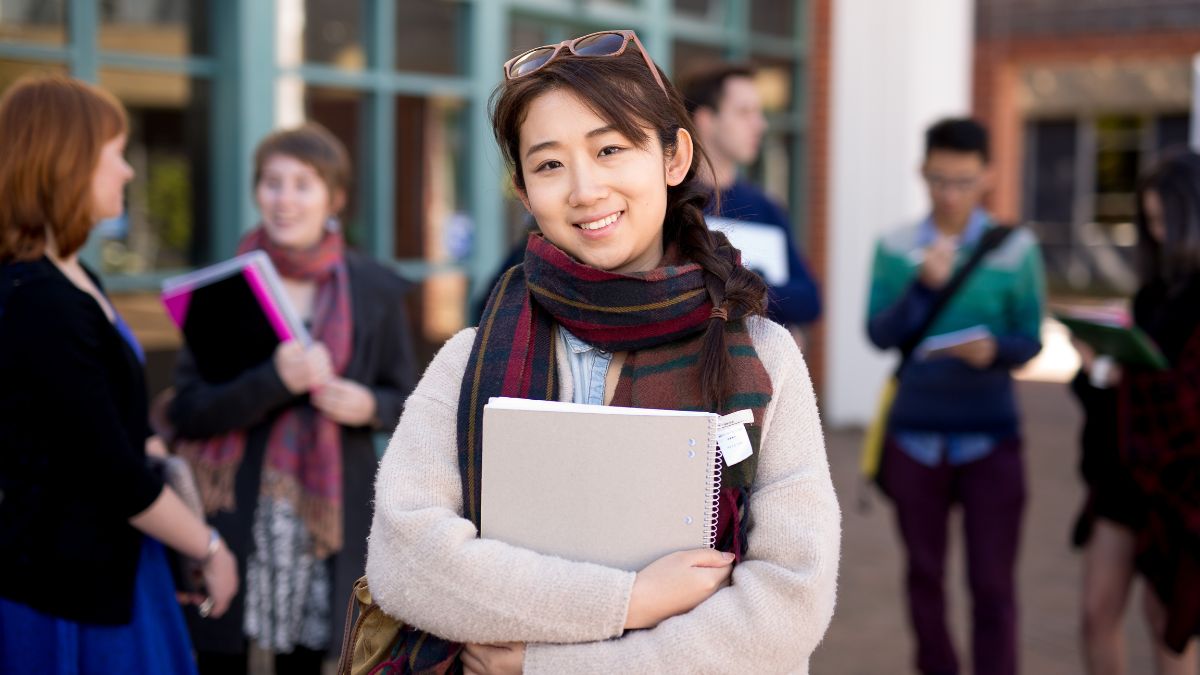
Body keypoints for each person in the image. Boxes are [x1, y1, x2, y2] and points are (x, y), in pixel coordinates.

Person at [365, 29, 839, 674]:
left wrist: (545, 666)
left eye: (610, 148)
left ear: (674, 159)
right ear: (524, 190)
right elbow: (408, 562)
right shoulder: (469, 360)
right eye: (549, 164)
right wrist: (631, 600)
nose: (584, 190)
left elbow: (786, 608)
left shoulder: (761, 357)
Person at [0, 75, 238, 674]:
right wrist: (209, 547)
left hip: (116, 568)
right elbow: (110, 470)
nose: (129, 172)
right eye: (115, 155)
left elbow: (122, 431)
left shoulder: (75, 278)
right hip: (65, 594)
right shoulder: (37, 300)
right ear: (67, 165)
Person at [168, 123, 417, 674]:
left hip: (324, 519)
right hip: (234, 513)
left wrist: (369, 406)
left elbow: (412, 401)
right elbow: (188, 412)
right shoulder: (223, 288)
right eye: (272, 183)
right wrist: (275, 381)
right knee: (218, 656)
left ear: (335, 198)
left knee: (303, 662)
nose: (284, 199)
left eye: (303, 184)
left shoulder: (374, 289)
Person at [866, 118, 1045, 675]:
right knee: (924, 577)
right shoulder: (895, 248)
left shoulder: (1016, 249)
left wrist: (995, 350)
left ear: (987, 177)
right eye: (939, 179)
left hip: (990, 438)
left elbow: (1031, 338)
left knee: (992, 585)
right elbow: (878, 334)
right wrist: (923, 288)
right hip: (914, 436)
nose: (949, 194)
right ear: (923, 172)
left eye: (963, 181)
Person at [1074, 149, 1200, 674]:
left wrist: (1121, 376)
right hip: (1124, 477)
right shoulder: (1153, 294)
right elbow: (1114, 400)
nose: (1158, 234)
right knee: (1095, 611)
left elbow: (1180, 399)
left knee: (1167, 623)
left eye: (1165, 221)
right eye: (1149, 223)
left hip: (1183, 482)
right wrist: (1097, 370)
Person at [680, 63, 821, 329]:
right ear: (706, 120)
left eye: (759, 112)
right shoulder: (674, 203)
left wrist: (747, 287)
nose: (760, 124)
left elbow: (810, 300)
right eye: (745, 112)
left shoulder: (765, 206)